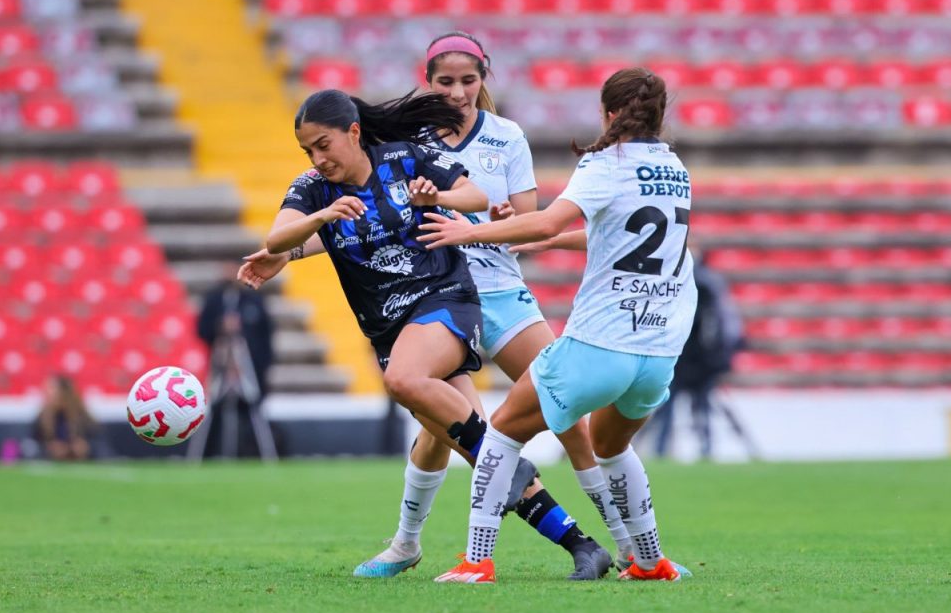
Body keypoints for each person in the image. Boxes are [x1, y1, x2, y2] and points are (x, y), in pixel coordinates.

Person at [260, 87, 611, 578]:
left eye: (324, 145)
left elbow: (477, 197)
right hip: (390, 329)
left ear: (354, 132)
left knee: (404, 382)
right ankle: (581, 544)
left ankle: (471, 491)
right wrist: (319, 219)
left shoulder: (403, 158)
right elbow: (276, 237)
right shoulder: (314, 190)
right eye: (308, 151)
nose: (317, 158)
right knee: (448, 435)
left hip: (445, 299)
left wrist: (436, 197)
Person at [418, 67, 698, 583]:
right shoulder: (674, 168)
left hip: (600, 343)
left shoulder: (604, 163)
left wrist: (467, 232)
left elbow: (548, 218)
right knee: (611, 447)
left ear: (608, 114)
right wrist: (545, 244)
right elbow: (621, 239)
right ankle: (650, 560)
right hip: (658, 348)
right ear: (659, 116)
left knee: (499, 433)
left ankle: (476, 561)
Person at [651, 251, 746, 459]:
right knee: (700, 408)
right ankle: (705, 448)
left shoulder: (675, 283)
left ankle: (660, 449)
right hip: (700, 360)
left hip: (679, 358)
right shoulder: (711, 284)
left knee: (667, 407)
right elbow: (725, 323)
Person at [192, 261, 277, 459]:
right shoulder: (213, 300)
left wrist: (260, 366)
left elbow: (265, 336)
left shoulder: (254, 300)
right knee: (214, 412)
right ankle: (208, 455)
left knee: (251, 412)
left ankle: (251, 453)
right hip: (220, 366)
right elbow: (201, 330)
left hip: (249, 368)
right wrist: (219, 328)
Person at [34, 375, 96, 461]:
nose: (47, 393)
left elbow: (101, 446)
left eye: (52, 389)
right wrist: (49, 449)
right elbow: (32, 446)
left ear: (64, 392)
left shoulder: (82, 417)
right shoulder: (42, 418)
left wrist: (86, 447)